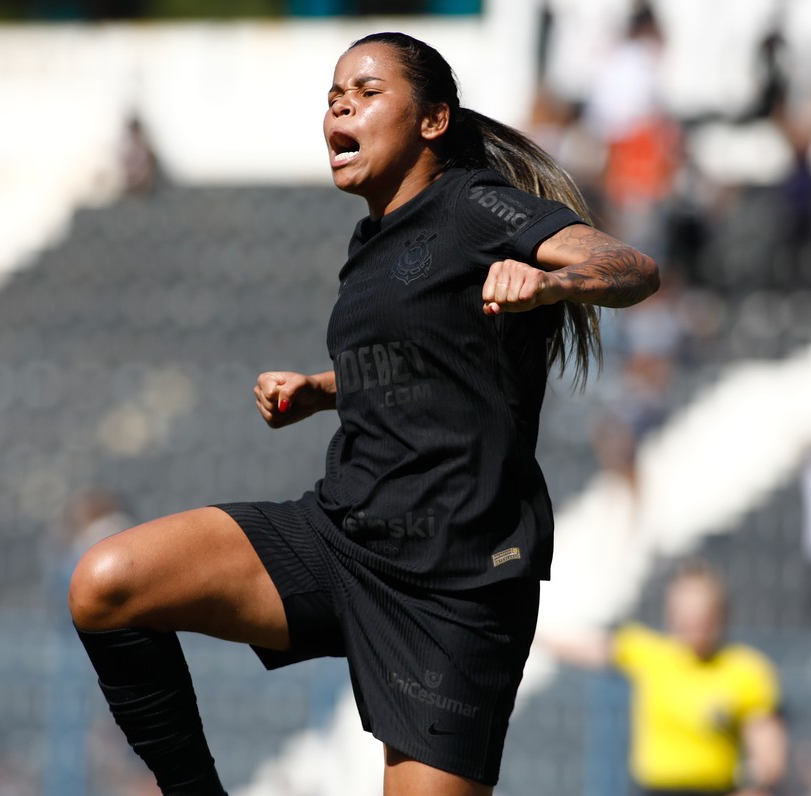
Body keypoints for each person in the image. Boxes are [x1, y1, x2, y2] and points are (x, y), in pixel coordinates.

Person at [67, 31, 659, 796]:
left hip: (454, 590)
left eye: (366, 91)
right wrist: (322, 388)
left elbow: (632, 268)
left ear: (433, 120)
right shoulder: (371, 241)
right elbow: (429, 367)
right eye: (332, 96)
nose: (340, 104)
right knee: (106, 583)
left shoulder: (477, 205)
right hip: (342, 538)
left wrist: (554, 283)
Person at [540, 561, 788, 796]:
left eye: (702, 613)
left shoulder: (746, 670)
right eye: (686, 612)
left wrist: (756, 784)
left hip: (716, 789)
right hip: (654, 789)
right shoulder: (648, 653)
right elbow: (583, 646)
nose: (694, 623)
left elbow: (768, 752)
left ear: (719, 615)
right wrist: (526, 630)